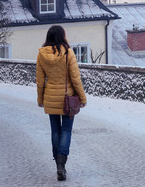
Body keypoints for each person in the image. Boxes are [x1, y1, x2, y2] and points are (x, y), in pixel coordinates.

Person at [36, 25, 87, 181]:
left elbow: (39, 81)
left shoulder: (41, 54)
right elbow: (75, 79)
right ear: (62, 36)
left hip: (51, 97)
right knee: (66, 130)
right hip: (67, 98)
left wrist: (40, 99)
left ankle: (57, 163)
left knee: (55, 131)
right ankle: (61, 163)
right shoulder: (68, 53)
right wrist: (82, 98)